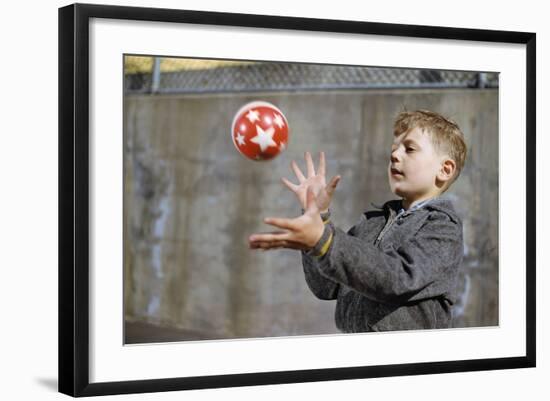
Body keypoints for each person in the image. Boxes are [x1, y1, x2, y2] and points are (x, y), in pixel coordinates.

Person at [248, 109, 468, 332]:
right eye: (393, 150)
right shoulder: (372, 223)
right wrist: (318, 218)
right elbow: (325, 287)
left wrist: (324, 240)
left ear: (444, 169)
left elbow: (398, 277)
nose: (394, 156)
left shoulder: (442, 227)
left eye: (409, 149)